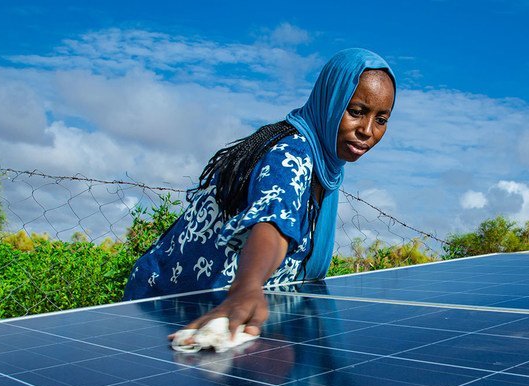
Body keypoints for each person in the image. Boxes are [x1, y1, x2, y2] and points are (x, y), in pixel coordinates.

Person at [122, 48, 396, 341]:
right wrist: (248, 285)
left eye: (381, 119)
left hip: (217, 311)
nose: (367, 130)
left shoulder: (326, 166)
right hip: (163, 306)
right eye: (356, 112)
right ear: (330, 100)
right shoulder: (290, 154)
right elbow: (273, 223)